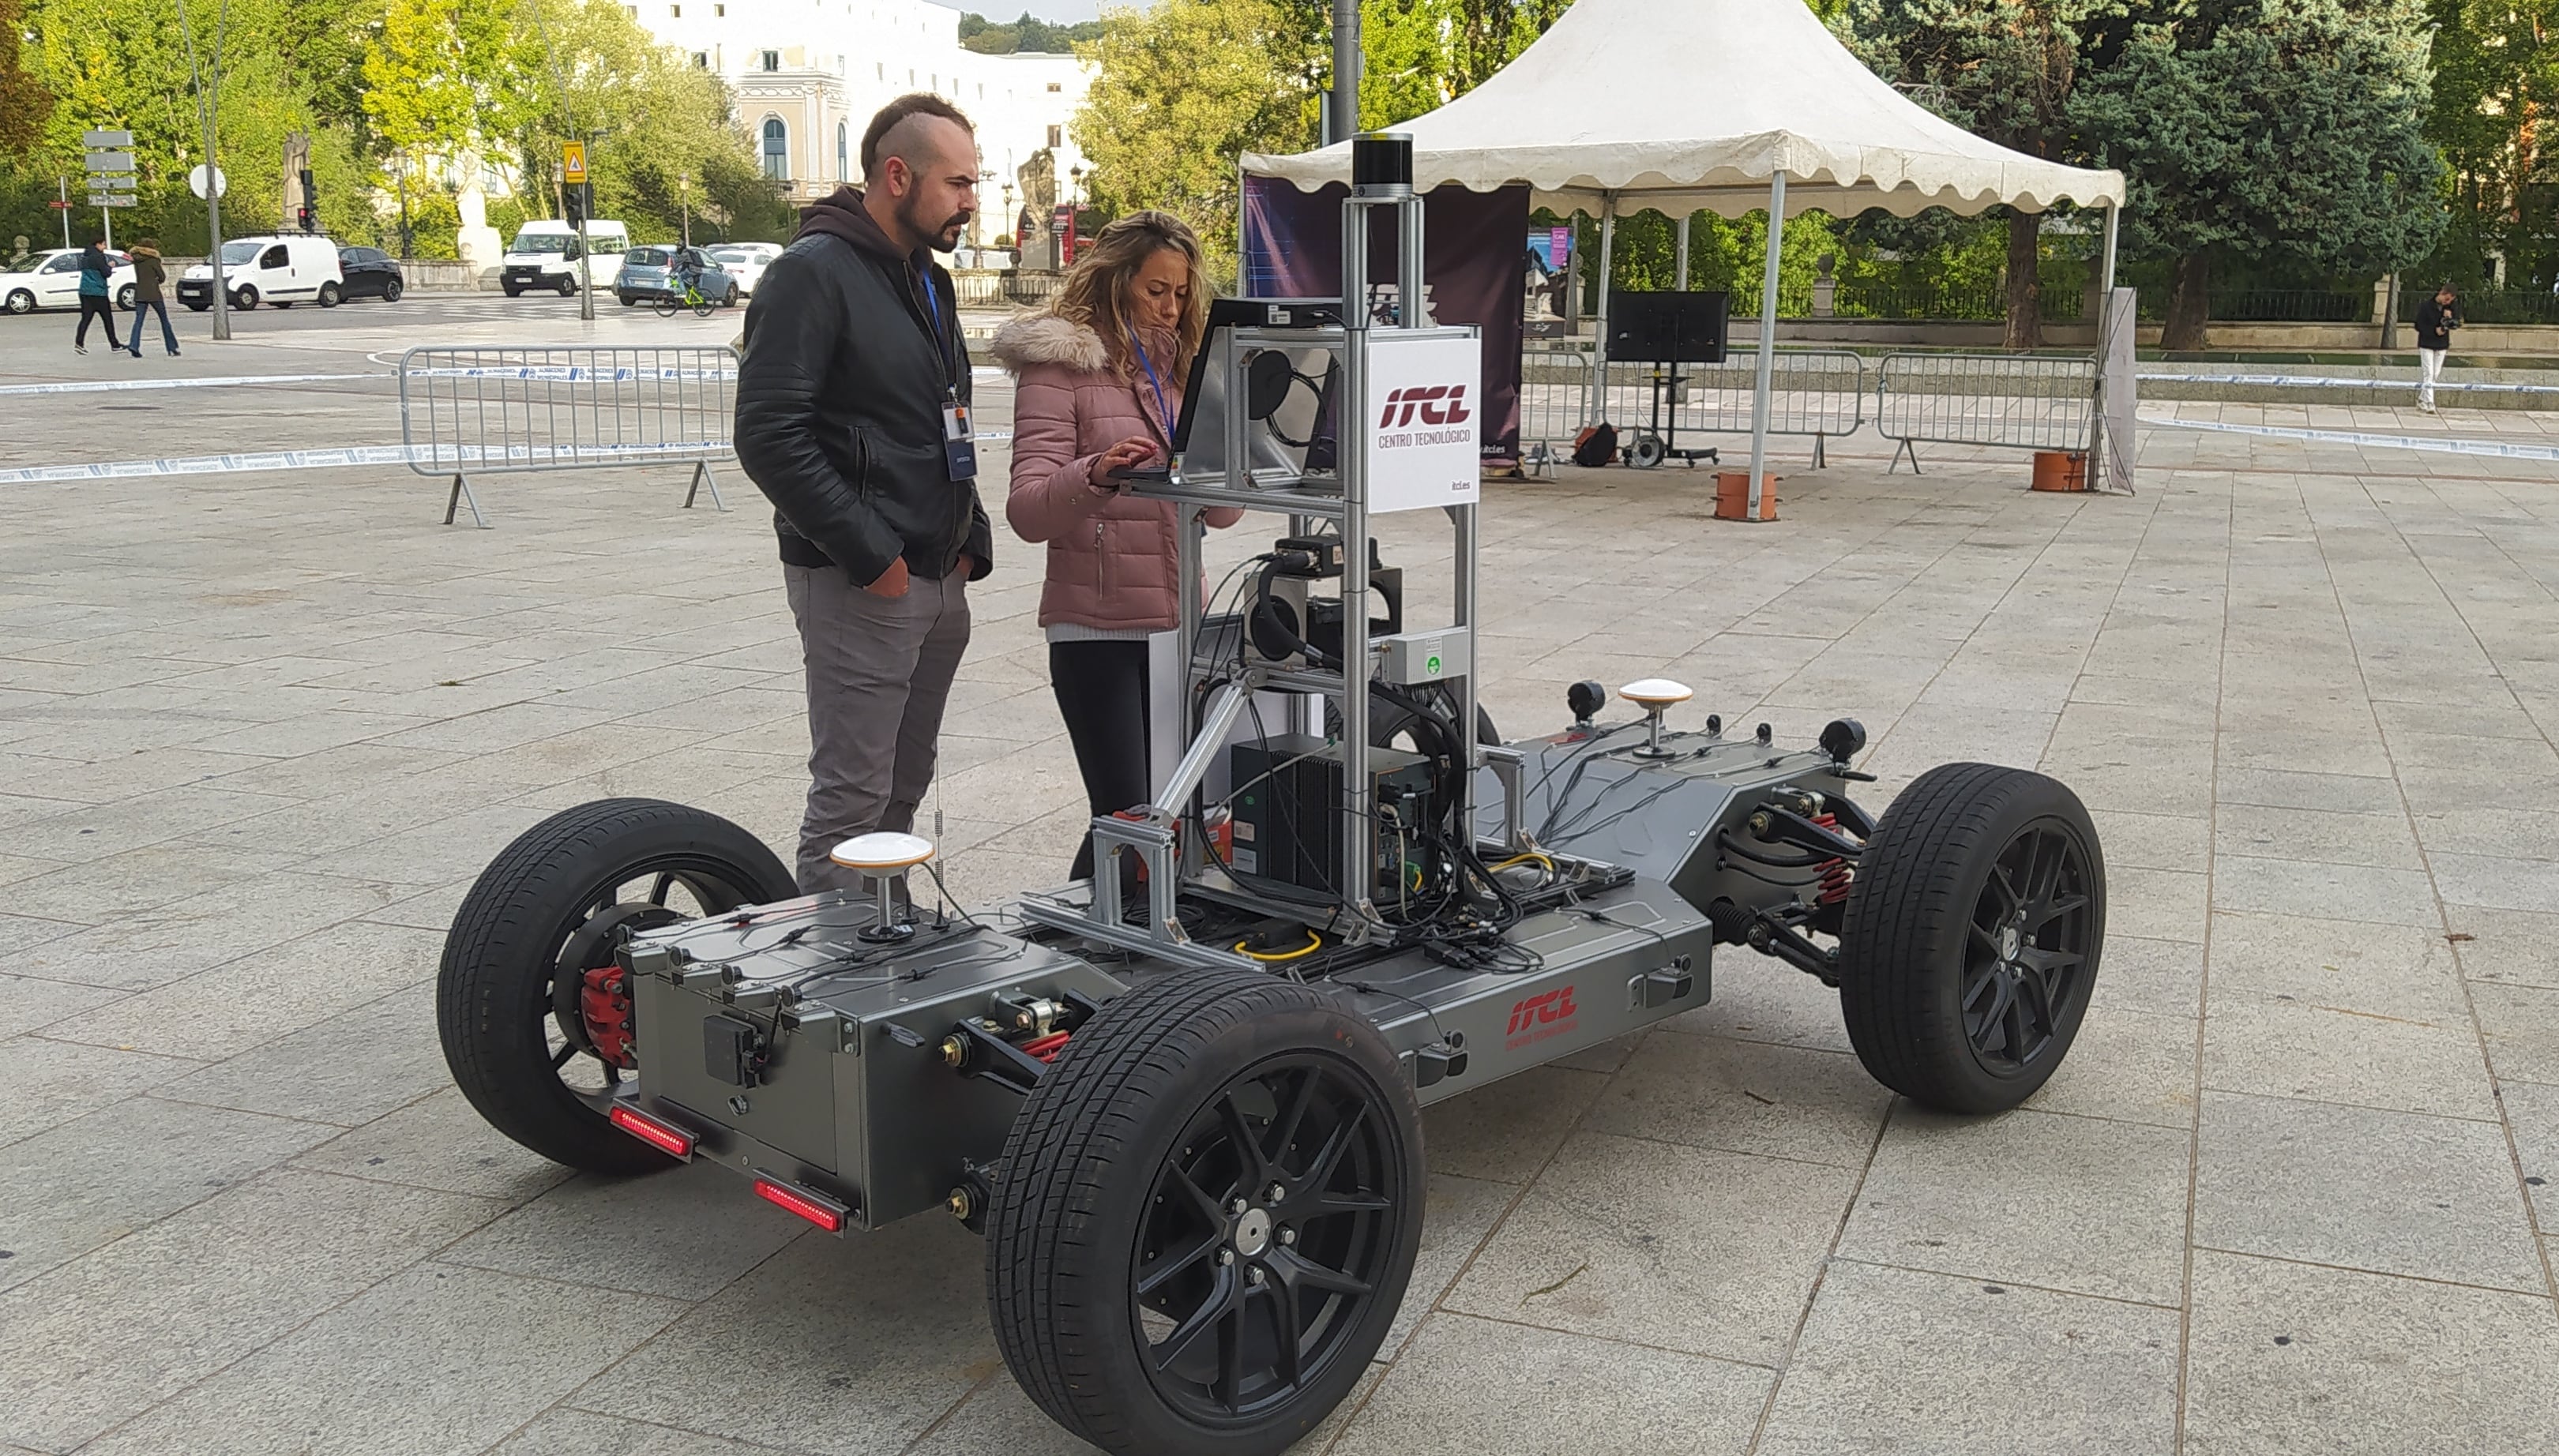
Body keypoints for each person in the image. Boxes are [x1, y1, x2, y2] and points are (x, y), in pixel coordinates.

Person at [734, 93, 994, 899]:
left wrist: (968, 535)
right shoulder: (812, 273)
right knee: (851, 800)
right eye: (957, 183)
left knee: (900, 787)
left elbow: (941, 416)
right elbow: (768, 431)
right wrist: (871, 551)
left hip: (936, 567)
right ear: (896, 175)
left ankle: (887, 935)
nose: (971, 200)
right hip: (861, 577)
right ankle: (836, 977)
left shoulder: (926, 278)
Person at [993, 211, 1243, 880]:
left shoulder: (1186, 371)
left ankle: (1102, 939)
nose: (1170, 307)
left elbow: (1221, 515)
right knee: (1127, 816)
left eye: (1181, 293)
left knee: (1163, 812)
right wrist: (1097, 473)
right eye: (1154, 290)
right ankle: (1083, 942)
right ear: (1115, 282)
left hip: (1179, 626)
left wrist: (1233, 450)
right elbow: (1026, 510)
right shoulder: (1059, 366)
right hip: (1096, 627)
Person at [126, 238, 178, 358]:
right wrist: (156, 281)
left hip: (140, 293)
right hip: (154, 293)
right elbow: (162, 277)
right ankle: (172, 347)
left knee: (138, 321)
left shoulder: (136, 260)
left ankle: (134, 345)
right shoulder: (153, 260)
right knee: (164, 320)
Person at [2414, 283, 2459, 413]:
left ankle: (2422, 400)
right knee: (2428, 373)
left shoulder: (2451, 307)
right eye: (2447, 299)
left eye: (2450, 300)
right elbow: (2419, 326)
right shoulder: (2426, 306)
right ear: (2442, 293)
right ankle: (2430, 403)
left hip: (2441, 345)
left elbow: (2456, 322)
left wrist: (2449, 319)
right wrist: (2434, 331)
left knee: (2435, 374)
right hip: (2427, 343)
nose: (2448, 302)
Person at [73, 237, 120, 355]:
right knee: (107, 319)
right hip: (98, 292)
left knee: (85, 319)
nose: (104, 247)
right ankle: (114, 344)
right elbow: (106, 273)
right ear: (98, 244)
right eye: (103, 245)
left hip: (85, 291)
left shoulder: (84, 256)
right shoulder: (99, 257)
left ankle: (79, 343)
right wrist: (110, 266)